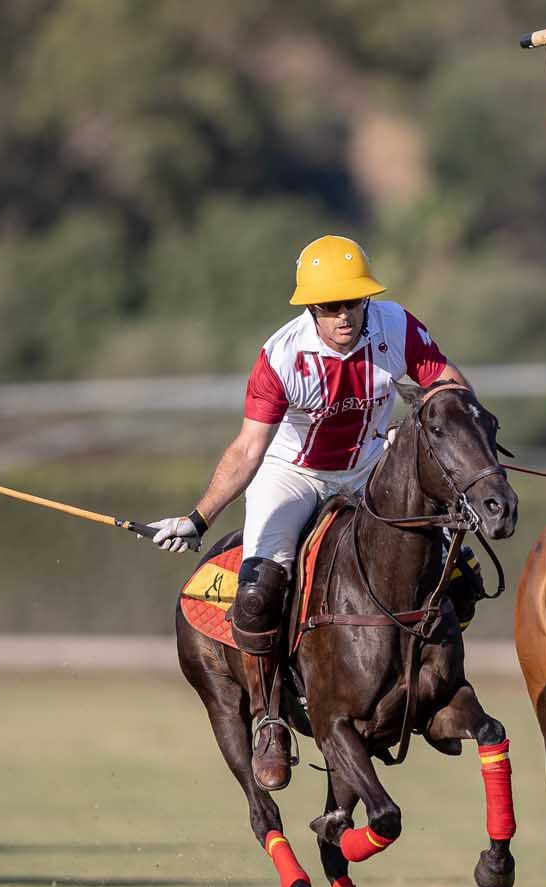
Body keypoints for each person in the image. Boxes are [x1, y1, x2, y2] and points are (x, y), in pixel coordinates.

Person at [148, 235, 481, 791]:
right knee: (256, 593)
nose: (343, 316)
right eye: (329, 307)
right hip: (294, 475)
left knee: (459, 574)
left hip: (370, 469)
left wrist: (452, 426)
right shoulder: (281, 356)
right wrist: (199, 517)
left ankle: (432, 692)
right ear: (311, 308)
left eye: (351, 303)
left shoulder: (396, 327)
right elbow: (248, 450)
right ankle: (272, 718)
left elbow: (446, 384)